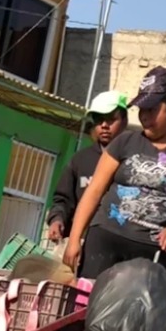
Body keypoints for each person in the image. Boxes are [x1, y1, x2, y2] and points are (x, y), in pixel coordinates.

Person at [62, 67, 166, 279]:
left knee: (137, 310)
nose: (144, 117)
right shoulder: (124, 142)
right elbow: (94, 191)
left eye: (152, 110)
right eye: (141, 110)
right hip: (104, 241)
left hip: (152, 251)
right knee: (89, 307)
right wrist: (74, 239)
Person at [45, 90, 129, 248]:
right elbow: (63, 199)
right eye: (99, 120)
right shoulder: (80, 160)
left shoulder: (132, 162)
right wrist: (57, 219)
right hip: (79, 245)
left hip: (117, 246)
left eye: (111, 119)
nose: (104, 125)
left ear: (124, 121)